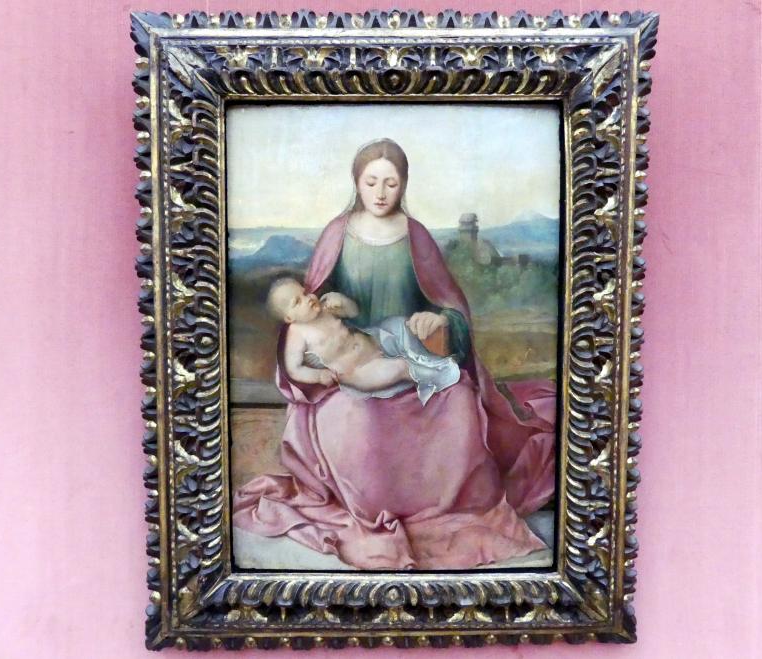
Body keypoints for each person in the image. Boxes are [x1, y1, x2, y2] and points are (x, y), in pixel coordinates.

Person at [233, 138, 557, 570]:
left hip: (401, 346)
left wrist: (437, 319)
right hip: (349, 370)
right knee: (358, 420)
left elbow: (450, 306)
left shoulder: (416, 235)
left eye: (391, 182)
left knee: (459, 400)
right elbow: (305, 316)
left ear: (403, 184)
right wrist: (323, 353)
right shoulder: (337, 234)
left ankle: (446, 506)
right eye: (371, 182)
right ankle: (375, 509)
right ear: (357, 183)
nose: (381, 192)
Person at [265, 277, 460, 404]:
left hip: (375, 343)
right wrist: (318, 376)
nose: (308, 298)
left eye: (305, 292)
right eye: (297, 301)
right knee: (399, 367)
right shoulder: (297, 334)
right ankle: (433, 376)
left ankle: (424, 359)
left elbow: (354, 312)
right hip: (358, 372)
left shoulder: (324, 307)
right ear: (289, 317)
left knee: (399, 324)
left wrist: (342, 302)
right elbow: (293, 369)